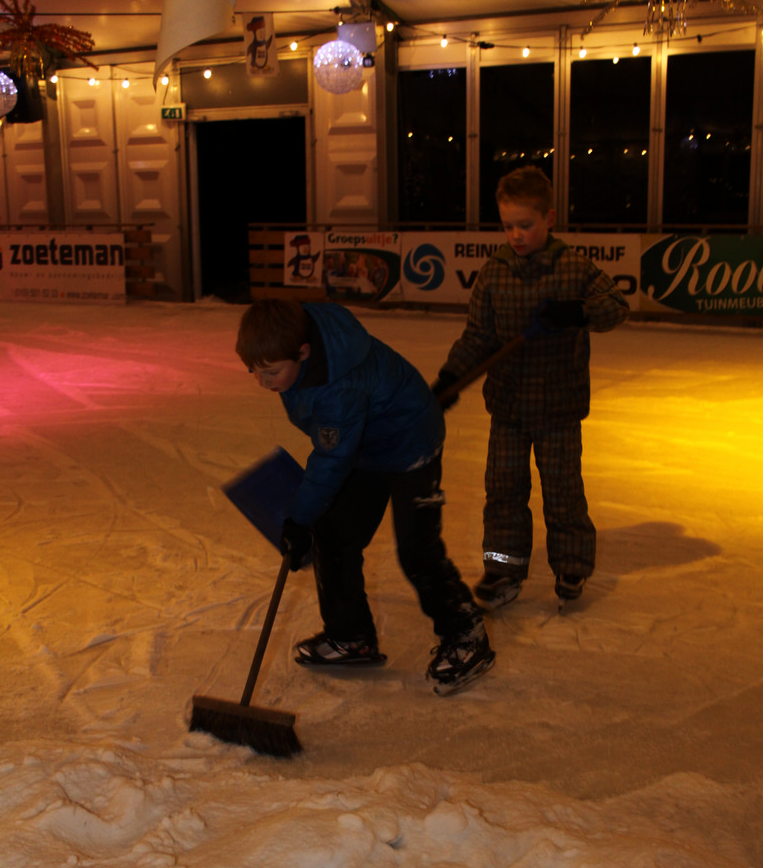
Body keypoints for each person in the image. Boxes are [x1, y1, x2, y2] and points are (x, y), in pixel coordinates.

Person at [235, 298, 494, 694]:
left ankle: (466, 633)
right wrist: (308, 520)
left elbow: (331, 459)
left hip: (410, 446)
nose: (262, 382)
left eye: (271, 372)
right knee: (334, 536)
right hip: (366, 445)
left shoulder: (338, 388)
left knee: (417, 550)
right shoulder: (297, 335)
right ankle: (350, 635)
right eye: (254, 371)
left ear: (302, 352)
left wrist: (299, 519)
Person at [431, 166, 629, 608]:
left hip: (559, 407)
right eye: (508, 226)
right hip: (509, 408)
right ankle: (504, 568)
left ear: (549, 218)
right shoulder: (494, 273)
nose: (516, 235)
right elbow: (478, 336)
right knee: (503, 490)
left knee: (562, 490)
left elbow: (616, 306)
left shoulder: (574, 267)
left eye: (525, 224)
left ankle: (572, 564)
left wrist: (578, 311)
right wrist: (451, 378)